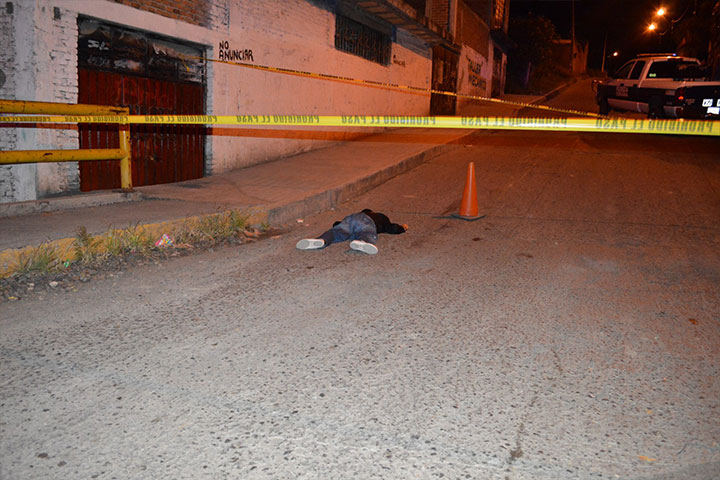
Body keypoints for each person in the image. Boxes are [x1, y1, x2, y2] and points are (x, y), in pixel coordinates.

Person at [296, 208, 408, 255]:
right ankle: (364, 242)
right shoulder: (382, 218)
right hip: (367, 222)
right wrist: (402, 228)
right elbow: (392, 228)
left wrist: (338, 226)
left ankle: (323, 240)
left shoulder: (360, 214)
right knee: (367, 233)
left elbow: (337, 224)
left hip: (350, 219)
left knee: (337, 231)